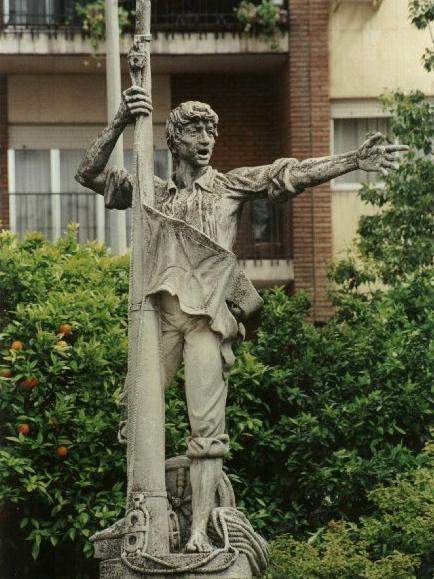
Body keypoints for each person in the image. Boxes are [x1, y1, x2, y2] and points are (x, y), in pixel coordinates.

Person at [76, 86, 407, 553]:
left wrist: (352, 160)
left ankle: (199, 530)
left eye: (211, 131)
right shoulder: (153, 193)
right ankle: (144, 516)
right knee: (137, 415)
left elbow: (289, 174)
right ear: (174, 139)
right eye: (195, 130)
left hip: (208, 322)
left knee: (207, 431)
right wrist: (119, 120)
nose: (206, 139)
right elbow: (87, 173)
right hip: (159, 321)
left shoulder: (228, 186)